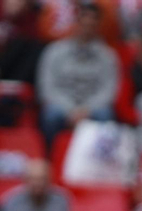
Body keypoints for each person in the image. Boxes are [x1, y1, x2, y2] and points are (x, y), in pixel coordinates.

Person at [35, 2, 119, 141]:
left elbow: (108, 90)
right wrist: (70, 110)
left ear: (98, 26)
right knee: (50, 115)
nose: (87, 28)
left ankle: (99, 161)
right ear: (76, 23)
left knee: (106, 115)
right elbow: (46, 88)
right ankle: (50, 158)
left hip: (92, 108)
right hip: (62, 106)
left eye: (92, 25)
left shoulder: (108, 56)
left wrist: (86, 110)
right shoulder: (54, 51)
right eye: (84, 23)